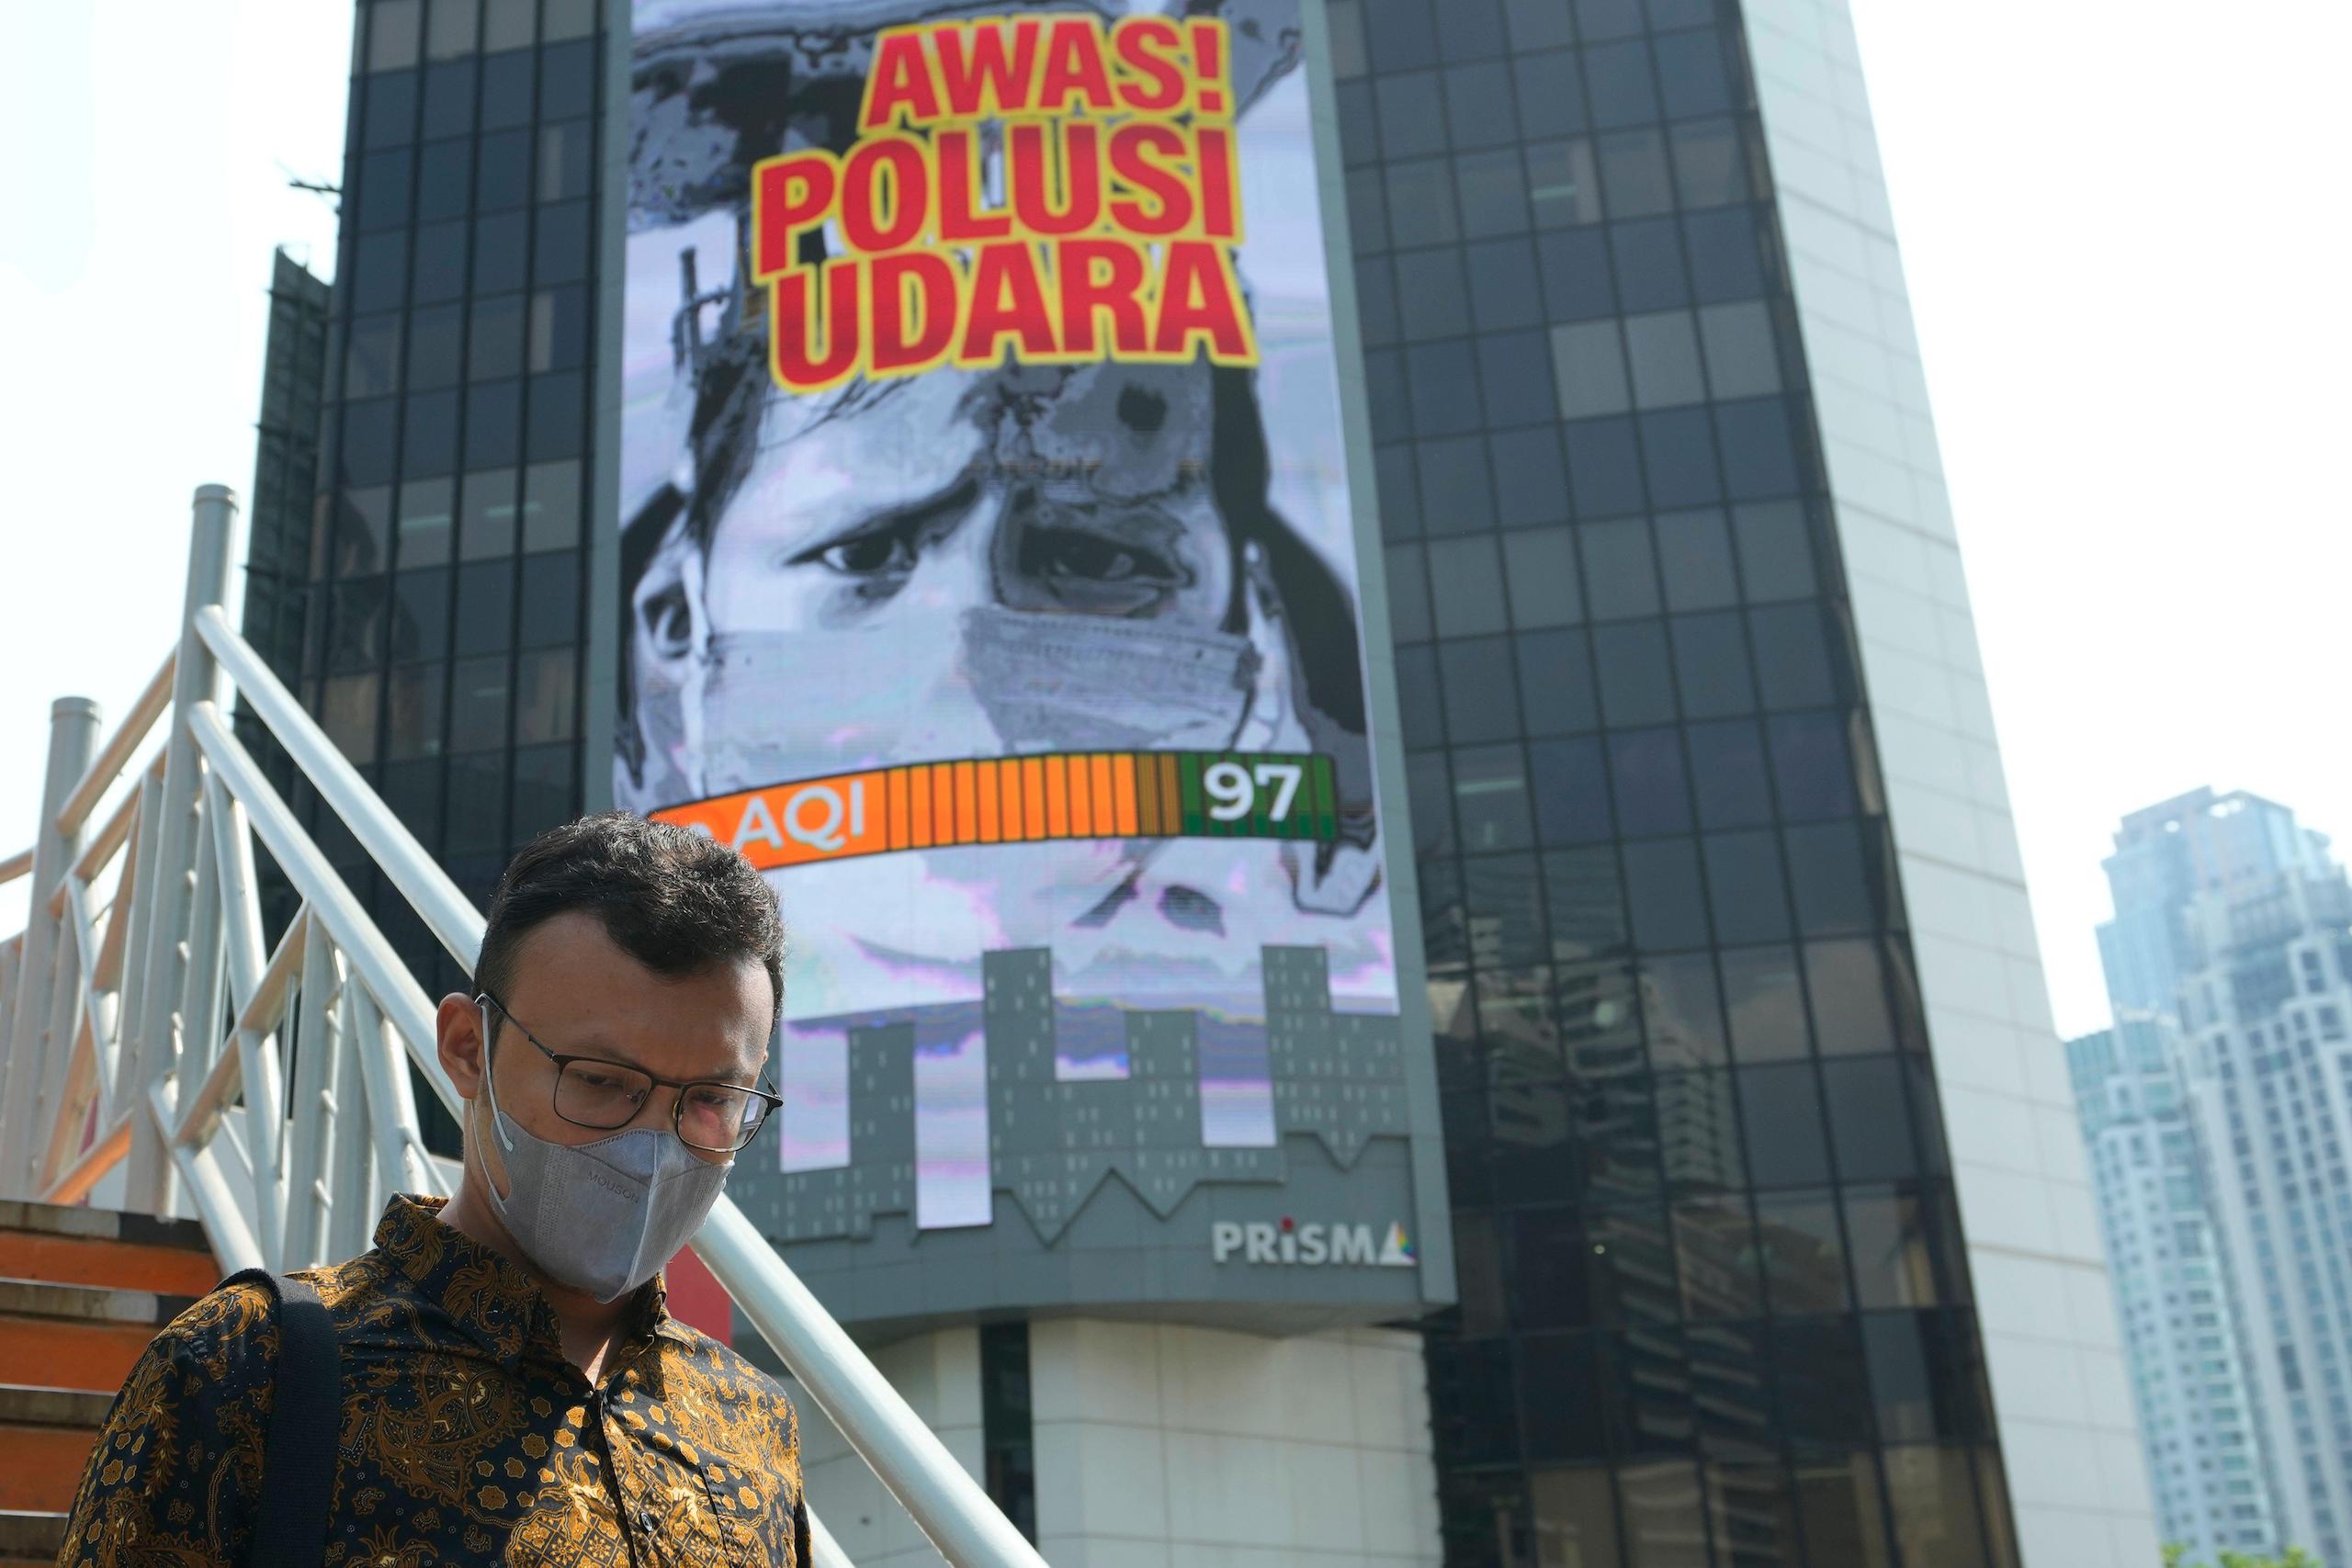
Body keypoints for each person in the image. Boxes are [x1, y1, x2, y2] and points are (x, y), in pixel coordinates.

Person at [56, 813, 808, 1567]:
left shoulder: (751, 1421)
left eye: (711, 1099)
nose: (654, 1147)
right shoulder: (242, 1369)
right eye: (601, 1081)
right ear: (467, 1049)